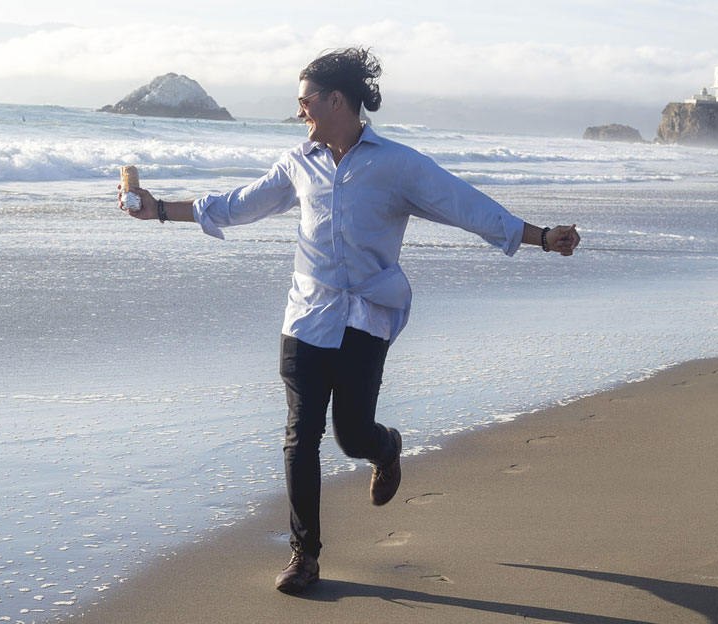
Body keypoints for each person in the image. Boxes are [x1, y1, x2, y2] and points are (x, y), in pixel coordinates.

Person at [119, 47, 580, 594]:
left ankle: (385, 448)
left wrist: (542, 237)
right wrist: (162, 208)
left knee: (351, 433)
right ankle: (305, 555)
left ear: (337, 100)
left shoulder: (397, 165)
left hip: (367, 315)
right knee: (299, 437)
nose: (300, 114)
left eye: (305, 102)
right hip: (307, 316)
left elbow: (467, 206)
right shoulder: (299, 162)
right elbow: (242, 203)